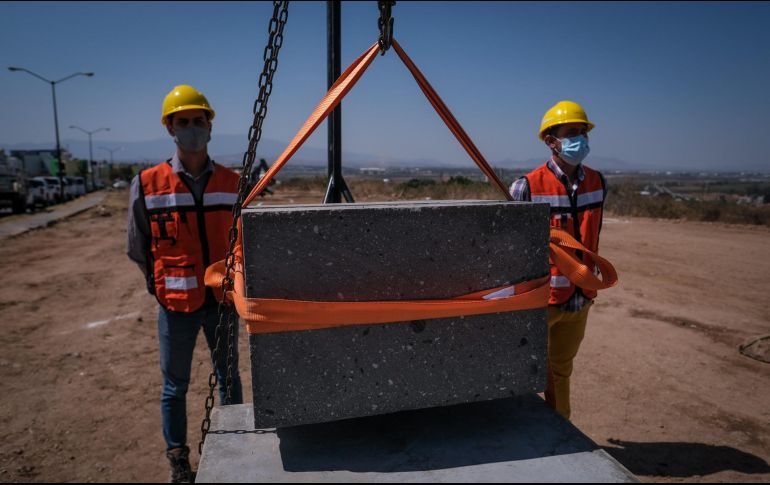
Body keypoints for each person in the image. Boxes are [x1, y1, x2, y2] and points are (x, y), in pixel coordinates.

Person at [126, 85, 243, 483]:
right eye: (183, 122)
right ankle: (178, 461)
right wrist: (158, 286)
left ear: (210, 127)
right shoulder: (147, 183)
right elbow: (137, 246)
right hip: (174, 304)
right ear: (170, 129)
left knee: (230, 381)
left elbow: (245, 241)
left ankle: (237, 449)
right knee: (174, 387)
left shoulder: (233, 182)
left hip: (223, 301)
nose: (192, 129)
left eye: (199, 121)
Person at [509, 100, 607, 420]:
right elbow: (512, 248)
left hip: (580, 298)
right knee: (523, 371)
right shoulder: (526, 186)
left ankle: (560, 431)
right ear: (551, 140)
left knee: (562, 372)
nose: (581, 139)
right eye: (572, 132)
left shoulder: (597, 182)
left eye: (583, 132)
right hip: (543, 298)